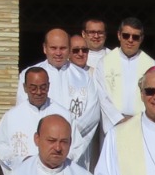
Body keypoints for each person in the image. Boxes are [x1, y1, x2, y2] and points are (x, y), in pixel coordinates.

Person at [16, 31, 97, 163]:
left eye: (63, 48)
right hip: (41, 147)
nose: (58, 53)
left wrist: (69, 135)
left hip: (75, 146)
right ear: (44, 48)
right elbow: (24, 110)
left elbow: (92, 114)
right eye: (53, 48)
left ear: (69, 49)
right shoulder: (29, 74)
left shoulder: (84, 77)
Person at [0, 67, 70, 174]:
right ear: (25, 88)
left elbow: (76, 147)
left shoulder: (64, 115)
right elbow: (1, 146)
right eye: (33, 88)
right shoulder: (11, 116)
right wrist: (21, 162)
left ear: (48, 86)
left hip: (57, 174)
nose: (38, 92)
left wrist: (55, 162)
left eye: (43, 87)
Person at [96, 17, 155, 134]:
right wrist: (119, 119)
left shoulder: (152, 65)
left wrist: (139, 120)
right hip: (112, 124)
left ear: (142, 38)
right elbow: (102, 96)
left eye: (135, 37)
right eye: (126, 35)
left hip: (142, 125)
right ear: (119, 35)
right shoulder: (104, 63)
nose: (130, 40)